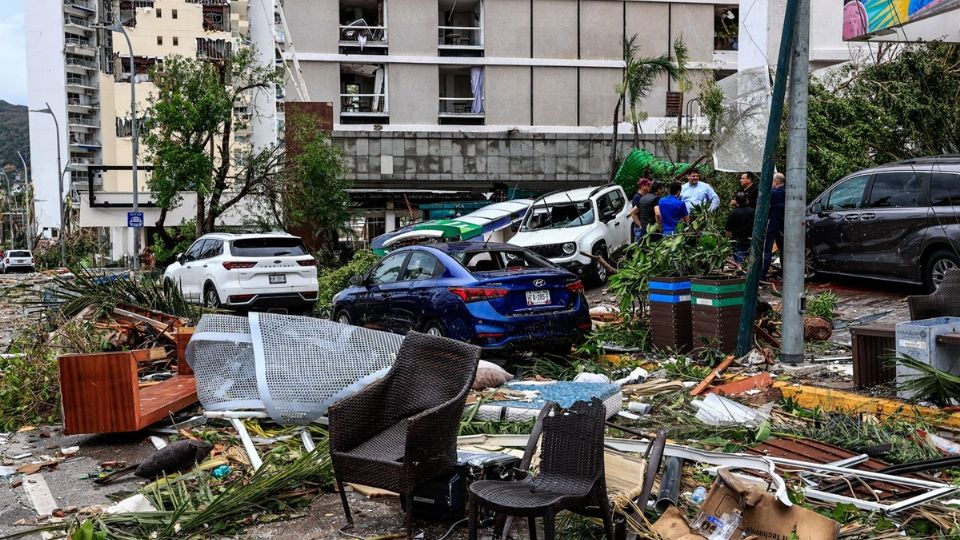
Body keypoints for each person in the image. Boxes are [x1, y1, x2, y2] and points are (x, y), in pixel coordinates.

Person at [763, 172, 787, 277]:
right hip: (785, 225)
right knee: (785, 248)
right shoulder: (789, 192)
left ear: (776, 181)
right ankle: (785, 272)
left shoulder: (773, 193)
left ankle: (762, 272)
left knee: (767, 248)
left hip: (773, 223)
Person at [725, 193, 755, 264]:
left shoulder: (733, 213)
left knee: (740, 263)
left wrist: (729, 241)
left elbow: (728, 231)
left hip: (738, 241)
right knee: (752, 262)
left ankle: (741, 270)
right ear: (747, 200)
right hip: (752, 239)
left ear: (736, 201)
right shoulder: (753, 211)